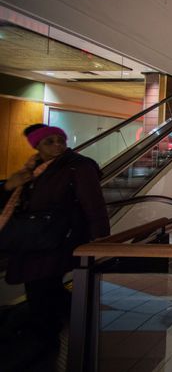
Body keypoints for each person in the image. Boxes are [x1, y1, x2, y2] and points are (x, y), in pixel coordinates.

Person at [0, 124, 109, 366]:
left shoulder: (78, 165)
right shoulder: (33, 169)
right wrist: (10, 185)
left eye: (60, 139)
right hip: (34, 241)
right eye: (49, 141)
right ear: (36, 146)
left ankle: (44, 348)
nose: (58, 145)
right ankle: (72, 332)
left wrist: (102, 240)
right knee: (45, 291)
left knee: (42, 292)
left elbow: (94, 204)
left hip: (57, 240)